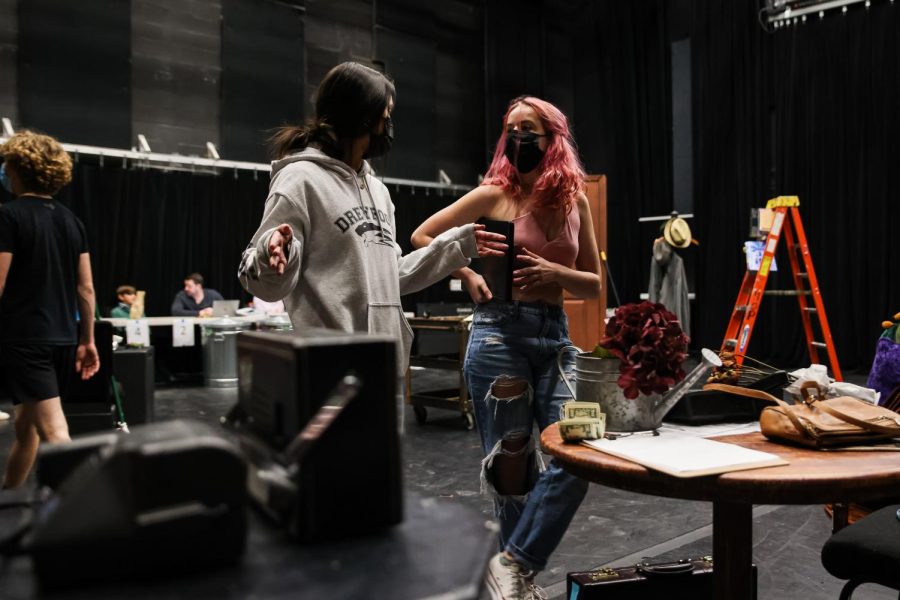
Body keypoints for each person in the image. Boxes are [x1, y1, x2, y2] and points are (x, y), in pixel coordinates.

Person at [238, 61, 506, 423]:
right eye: (386, 114)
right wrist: (275, 253)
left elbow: (393, 277)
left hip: (381, 369)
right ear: (361, 118)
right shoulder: (299, 181)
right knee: (335, 478)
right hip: (328, 374)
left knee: (373, 477)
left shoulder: (379, 192)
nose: (389, 126)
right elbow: (266, 284)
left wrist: (458, 244)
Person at [411, 96, 602, 600]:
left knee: (581, 453)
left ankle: (513, 563)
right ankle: (515, 585)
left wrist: (556, 273)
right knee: (511, 465)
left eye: (529, 128)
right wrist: (466, 270)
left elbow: (593, 285)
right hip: (498, 334)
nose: (518, 137)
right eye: (511, 128)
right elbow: (421, 234)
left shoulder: (574, 200)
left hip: (557, 339)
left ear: (552, 137)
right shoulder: (492, 194)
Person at [0, 130, 100, 489]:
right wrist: (87, 340)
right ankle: (9, 499)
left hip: (26, 341)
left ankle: (93, 517)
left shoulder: (8, 217)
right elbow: (85, 288)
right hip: (61, 340)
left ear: (17, 169)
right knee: (28, 430)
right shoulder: (72, 221)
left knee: (56, 433)